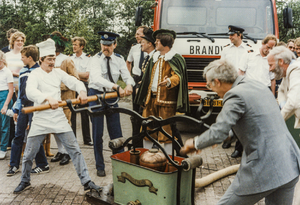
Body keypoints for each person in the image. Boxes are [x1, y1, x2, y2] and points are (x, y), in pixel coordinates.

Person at [181, 59, 300, 205]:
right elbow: (254, 119)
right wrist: (229, 135)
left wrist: (195, 143)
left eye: (209, 84)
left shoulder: (234, 95)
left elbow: (218, 131)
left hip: (264, 168)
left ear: (217, 82)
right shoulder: (256, 85)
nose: (210, 88)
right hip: (289, 164)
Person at [13, 38, 100, 194]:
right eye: (49, 59)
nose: (52, 62)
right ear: (41, 59)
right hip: (40, 119)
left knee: (75, 150)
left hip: (58, 118)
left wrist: (82, 91)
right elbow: (30, 92)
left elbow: (74, 82)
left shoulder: (58, 72)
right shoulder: (34, 74)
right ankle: (25, 181)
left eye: (54, 58)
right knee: (28, 156)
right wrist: (48, 98)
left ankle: (86, 181)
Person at [134, 29, 189, 154]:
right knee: (148, 130)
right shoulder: (154, 57)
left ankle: (167, 159)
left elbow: (178, 76)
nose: (155, 43)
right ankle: (147, 157)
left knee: (166, 133)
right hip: (150, 99)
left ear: (165, 43)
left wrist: (169, 80)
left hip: (166, 101)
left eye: (158, 41)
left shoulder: (175, 58)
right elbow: (147, 77)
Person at [88, 31, 135, 177]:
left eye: (108, 45)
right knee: (98, 133)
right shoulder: (95, 59)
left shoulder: (119, 59)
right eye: (103, 45)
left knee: (116, 131)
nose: (105, 48)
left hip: (111, 96)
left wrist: (129, 85)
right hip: (96, 95)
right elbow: (96, 78)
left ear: (115, 45)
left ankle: (119, 164)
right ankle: (100, 166)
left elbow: (128, 76)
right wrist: (116, 87)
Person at [7, 45, 49, 175]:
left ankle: (43, 165)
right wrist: (16, 110)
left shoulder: (40, 72)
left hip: (35, 107)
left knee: (33, 136)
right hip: (24, 108)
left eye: (23, 57)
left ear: (30, 58)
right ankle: (14, 165)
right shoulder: (23, 71)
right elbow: (20, 93)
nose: (21, 60)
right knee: (18, 135)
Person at [220, 25, 250, 156]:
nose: (229, 37)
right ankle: (228, 136)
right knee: (229, 112)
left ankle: (238, 148)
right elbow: (221, 68)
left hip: (243, 85)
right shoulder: (226, 50)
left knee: (242, 115)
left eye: (232, 35)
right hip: (230, 86)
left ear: (239, 35)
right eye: (230, 34)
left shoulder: (249, 50)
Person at [49, 31, 72, 165]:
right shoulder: (48, 59)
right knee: (55, 125)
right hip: (53, 97)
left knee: (65, 124)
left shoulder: (66, 59)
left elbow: (74, 78)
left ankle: (68, 152)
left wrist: (60, 85)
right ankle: (61, 150)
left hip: (65, 96)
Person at [70, 37, 92, 146]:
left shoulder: (88, 58)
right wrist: (80, 75)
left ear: (82, 46)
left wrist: (74, 74)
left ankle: (87, 140)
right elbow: (67, 75)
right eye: (73, 44)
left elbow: (87, 75)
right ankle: (73, 139)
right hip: (72, 87)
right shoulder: (69, 58)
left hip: (84, 86)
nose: (73, 46)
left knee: (85, 113)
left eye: (76, 45)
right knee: (72, 113)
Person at [0, 51, 14, 160]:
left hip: (5, 96)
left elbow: (11, 90)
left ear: (2, 60)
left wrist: (5, 105)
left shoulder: (7, 72)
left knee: (5, 125)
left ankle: (3, 149)